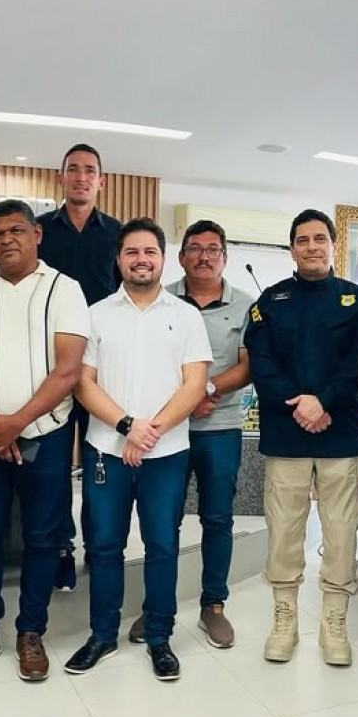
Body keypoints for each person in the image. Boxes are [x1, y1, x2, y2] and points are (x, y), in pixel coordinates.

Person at [0, 200, 89, 682]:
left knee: (42, 536)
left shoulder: (64, 289)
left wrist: (17, 422)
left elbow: (68, 370)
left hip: (46, 436)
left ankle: (31, 633)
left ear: (36, 235)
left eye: (16, 231)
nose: (7, 240)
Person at [64, 218, 211, 681]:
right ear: (119, 259)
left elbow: (195, 384)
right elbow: (83, 383)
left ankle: (159, 636)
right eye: (132, 252)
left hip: (166, 454)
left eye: (150, 251)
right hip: (105, 451)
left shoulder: (185, 315)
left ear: (163, 259)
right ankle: (102, 635)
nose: (141, 259)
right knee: (104, 545)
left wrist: (149, 433)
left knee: (162, 544)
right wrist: (127, 426)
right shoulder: (96, 313)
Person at [243, 209, 358, 666]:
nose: (312, 246)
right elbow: (261, 364)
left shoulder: (356, 300)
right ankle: (285, 620)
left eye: (320, 238)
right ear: (292, 249)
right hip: (287, 434)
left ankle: (334, 622)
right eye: (303, 240)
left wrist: (324, 401)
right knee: (283, 531)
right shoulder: (270, 301)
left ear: (333, 245)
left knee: (341, 532)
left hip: (341, 434)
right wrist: (301, 406)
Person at [128, 220, 253, 648]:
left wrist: (206, 390)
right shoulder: (161, 299)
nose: (204, 256)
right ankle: (156, 608)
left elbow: (248, 365)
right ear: (180, 258)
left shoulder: (245, 305)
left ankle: (213, 605)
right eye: (195, 248)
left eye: (213, 249)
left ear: (224, 257)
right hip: (167, 429)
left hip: (220, 426)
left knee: (217, 518)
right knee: (164, 521)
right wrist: (183, 402)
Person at [35, 143, 121, 591]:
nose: (81, 177)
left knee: (97, 459)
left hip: (101, 368)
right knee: (52, 465)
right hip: (51, 363)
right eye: (73, 169)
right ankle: (61, 548)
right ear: (61, 177)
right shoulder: (40, 231)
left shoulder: (117, 234)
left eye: (90, 170)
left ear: (101, 181)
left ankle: (98, 547)